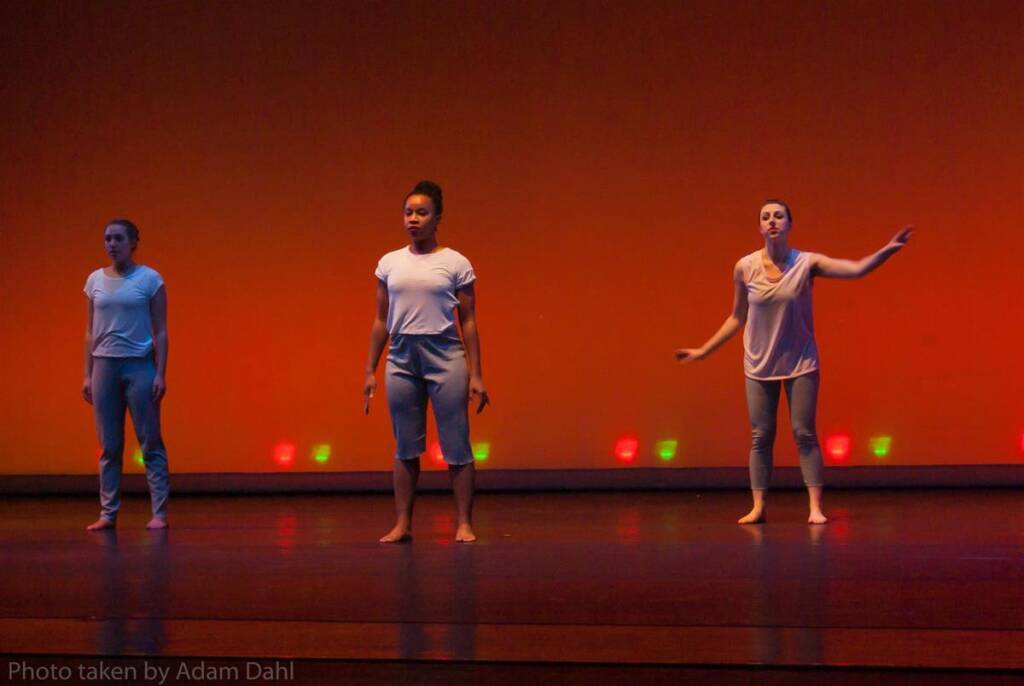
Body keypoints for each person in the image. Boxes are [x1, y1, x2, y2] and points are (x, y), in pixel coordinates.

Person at [675, 200, 912, 524]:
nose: (772, 221)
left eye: (778, 216)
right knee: (761, 436)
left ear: (788, 224)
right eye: (765, 217)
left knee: (804, 433)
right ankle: (758, 507)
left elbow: (856, 269)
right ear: (760, 227)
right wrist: (705, 350)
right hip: (759, 363)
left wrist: (888, 250)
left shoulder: (807, 263)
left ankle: (815, 507)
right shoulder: (745, 267)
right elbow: (736, 316)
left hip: (801, 361)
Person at [364, 180, 489, 543]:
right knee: (405, 445)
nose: (413, 219)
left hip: (445, 355)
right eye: (408, 213)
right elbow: (380, 320)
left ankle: (464, 523)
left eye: (422, 213)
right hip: (402, 357)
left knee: (457, 443)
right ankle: (403, 523)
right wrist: (370, 370)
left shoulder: (455, 262)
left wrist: (477, 375)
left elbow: (467, 322)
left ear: (437, 219)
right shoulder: (389, 263)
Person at [83, 219, 170, 530]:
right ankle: (108, 513)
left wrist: (160, 372)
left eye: (118, 238)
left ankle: (159, 513)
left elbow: (160, 331)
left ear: (133, 242)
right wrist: (87, 374)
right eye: (107, 238)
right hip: (104, 366)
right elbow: (90, 332)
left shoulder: (150, 279)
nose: (111, 244)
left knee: (150, 441)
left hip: (139, 365)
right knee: (109, 445)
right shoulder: (94, 280)